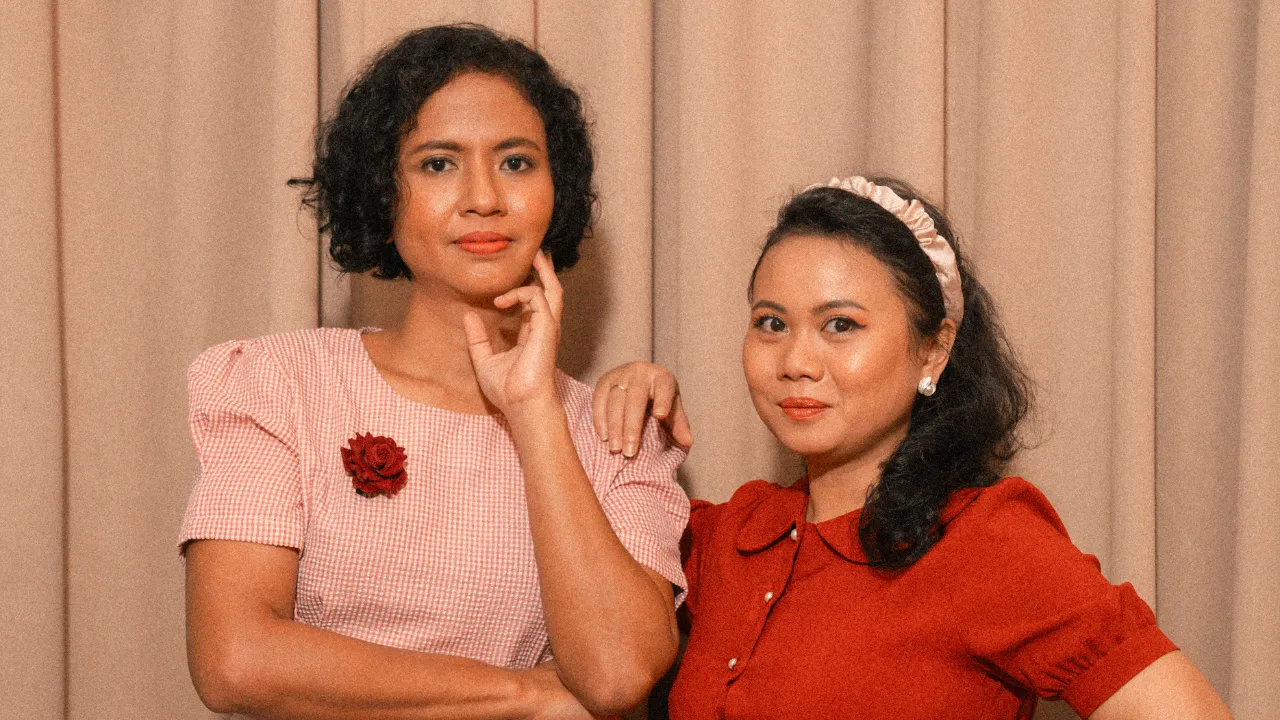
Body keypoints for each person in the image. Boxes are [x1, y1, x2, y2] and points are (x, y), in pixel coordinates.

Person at [179, 25, 689, 719]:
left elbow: (617, 675)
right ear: (381, 192)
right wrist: (528, 695)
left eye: (516, 162)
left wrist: (534, 411)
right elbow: (234, 661)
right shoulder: (280, 384)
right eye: (438, 164)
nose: (484, 198)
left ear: (556, 189)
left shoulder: (618, 430)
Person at [595, 176, 1233, 719]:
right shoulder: (728, 538)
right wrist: (626, 412)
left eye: (840, 325)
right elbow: (595, 643)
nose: (795, 361)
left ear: (933, 350)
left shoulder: (985, 541)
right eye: (771, 323)